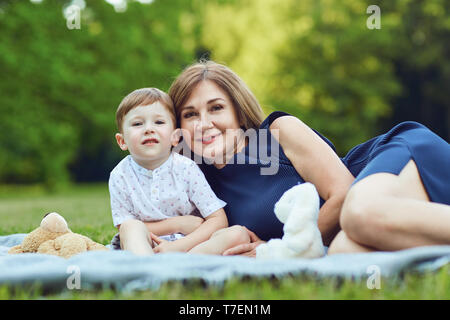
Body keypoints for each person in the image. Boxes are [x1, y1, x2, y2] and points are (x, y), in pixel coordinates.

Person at [168, 60, 450, 257]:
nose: (203, 123)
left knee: (359, 213)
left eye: (216, 108)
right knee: (345, 254)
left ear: (238, 113)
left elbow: (342, 192)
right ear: (178, 128)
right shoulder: (200, 186)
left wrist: (277, 249)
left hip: (396, 160)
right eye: (190, 114)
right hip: (358, 228)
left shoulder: (276, 133)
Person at [109, 87, 250, 256]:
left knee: (238, 234)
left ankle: (183, 264)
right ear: (122, 141)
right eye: (138, 124)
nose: (148, 129)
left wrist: (180, 246)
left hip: (191, 245)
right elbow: (123, 226)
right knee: (131, 227)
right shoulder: (120, 175)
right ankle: (146, 268)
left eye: (159, 122)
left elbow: (218, 220)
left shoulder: (186, 169)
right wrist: (178, 224)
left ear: (175, 137)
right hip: (146, 246)